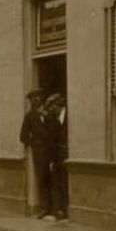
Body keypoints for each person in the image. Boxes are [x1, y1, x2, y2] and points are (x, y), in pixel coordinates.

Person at [19, 89, 55, 220]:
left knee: (55, 179)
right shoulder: (29, 117)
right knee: (43, 180)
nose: (37, 101)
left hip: (53, 151)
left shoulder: (50, 114)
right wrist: (35, 143)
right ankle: (45, 209)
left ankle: (57, 209)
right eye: (34, 99)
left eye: (39, 99)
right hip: (40, 152)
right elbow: (23, 136)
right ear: (31, 102)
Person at [45, 93, 69, 221]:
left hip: (68, 155)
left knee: (65, 183)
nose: (50, 110)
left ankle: (65, 210)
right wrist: (52, 159)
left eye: (51, 107)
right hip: (57, 156)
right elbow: (52, 141)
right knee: (58, 183)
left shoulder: (69, 116)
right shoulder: (54, 118)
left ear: (57, 105)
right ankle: (59, 210)